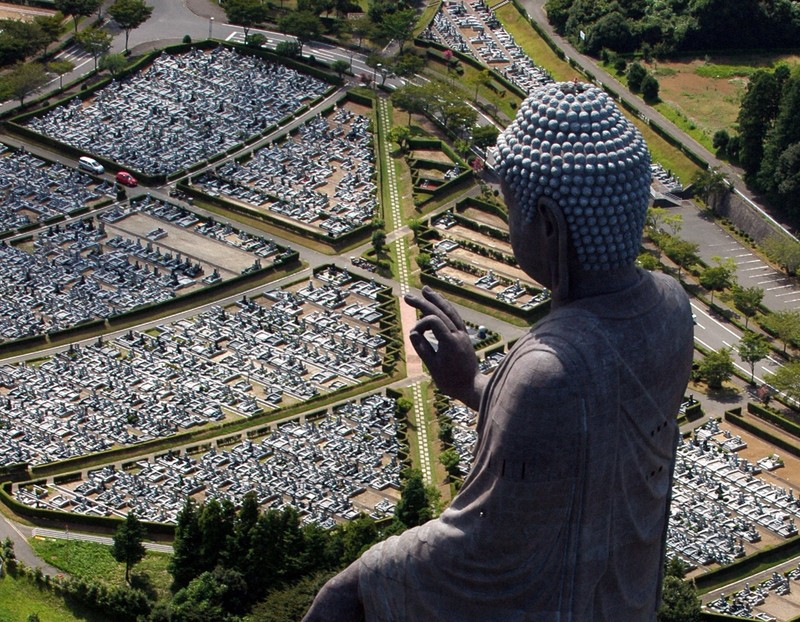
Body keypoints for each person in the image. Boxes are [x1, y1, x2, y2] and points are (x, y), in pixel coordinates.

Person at [303, 82, 694, 621]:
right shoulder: (672, 305)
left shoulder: (547, 369)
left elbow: (479, 547)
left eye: (511, 208)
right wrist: (471, 384)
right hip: (625, 596)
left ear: (549, 225)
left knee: (348, 592)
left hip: (562, 607)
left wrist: (366, 577)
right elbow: (579, 433)